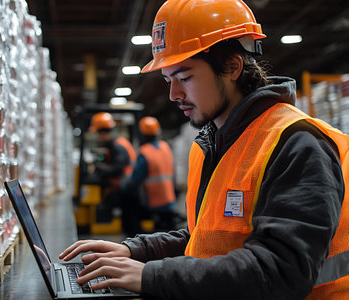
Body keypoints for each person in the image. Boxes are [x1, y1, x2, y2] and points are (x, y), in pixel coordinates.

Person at [60, 1, 349, 299]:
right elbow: (207, 237)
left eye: (185, 77)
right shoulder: (214, 143)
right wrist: (135, 250)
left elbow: (280, 270)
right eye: (168, 80)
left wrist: (152, 276)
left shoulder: (297, 144)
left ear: (232, 67)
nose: (174, 94)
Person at [121, 116, 180, 235]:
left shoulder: (145, 152)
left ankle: (133, 236)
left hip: (153, 200)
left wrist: (124, 188)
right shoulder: (166, 147)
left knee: (127, 202)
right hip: (169, 198)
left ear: (141, 134)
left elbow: (135, 179)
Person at [88, 112, 137, 221]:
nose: (97, 136)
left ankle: (103, 221)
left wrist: (100, 169)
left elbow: (117, 169)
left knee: (104, 202)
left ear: (103, 132)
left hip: (124, 186)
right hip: (124, 184)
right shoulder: (116, 144)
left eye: (97, 133)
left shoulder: (118, 146)